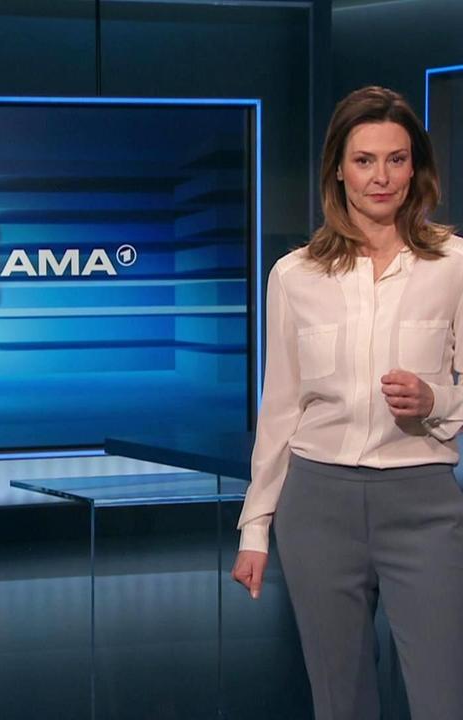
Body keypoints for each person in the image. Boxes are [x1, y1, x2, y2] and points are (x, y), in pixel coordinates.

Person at [231, 85, 463, 720]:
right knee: (341, 703)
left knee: (444, 698)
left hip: (422, 502)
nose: (380, 177)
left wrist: (436, 399)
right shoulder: (295, 275)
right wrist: (255, 529)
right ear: (338, 168)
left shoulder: (452, 263)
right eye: (364, 160)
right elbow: (280, 410)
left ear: (415, 167)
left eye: (396, 159)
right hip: (318, 506)